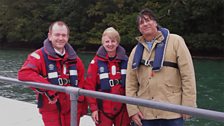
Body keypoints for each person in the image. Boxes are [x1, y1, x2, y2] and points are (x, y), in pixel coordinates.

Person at [126, 8, 197, 126]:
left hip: (172, 112)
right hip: (145, 113)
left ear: (155, 22)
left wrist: (188, 105)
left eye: (148, 20)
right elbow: (130, 83)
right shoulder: (135, 52)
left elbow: (188, 75)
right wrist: (132, 110)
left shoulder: (176, 41)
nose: (145, 24)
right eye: (141, 23)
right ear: (139, 29)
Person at [18, 21, 87, 126]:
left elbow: (82, 84)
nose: (60, 38)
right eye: (57, 35)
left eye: (64, 35)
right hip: (51, 108)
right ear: (50, 36)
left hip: (72, 108)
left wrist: (82, 108)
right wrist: (49, 90)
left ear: (68, 37)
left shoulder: (76, 60)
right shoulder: (38, 56)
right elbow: (24, 73)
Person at [85, 27, 131, 126]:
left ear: (117, 43)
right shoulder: (95, 63)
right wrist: (93, 109)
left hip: (123, 108)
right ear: (103, 43)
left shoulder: (126, 61)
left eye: (113, 41)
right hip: (103, 109)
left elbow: (133, 84)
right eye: (107, 41)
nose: (110, 44)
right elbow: (89, 87)